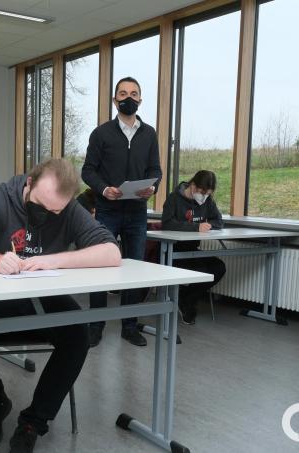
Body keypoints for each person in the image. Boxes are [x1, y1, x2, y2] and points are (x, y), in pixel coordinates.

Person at [0, 159, 120, 453]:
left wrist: (54, 260)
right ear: (28, 183)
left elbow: (111, 252)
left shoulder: (68, 208)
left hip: (44, 298)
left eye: (56, 211)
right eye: (41, 204)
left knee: (78, 335)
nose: (47, 214)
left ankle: (34, 422)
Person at [81, 76, 162, 347]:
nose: (129, 97)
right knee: (100, 268)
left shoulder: (149, 134)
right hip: (107, 210)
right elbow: (88, 170)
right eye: (123, 93)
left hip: (137, 212)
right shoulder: (101, 133)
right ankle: (95, 325)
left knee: (134, 269)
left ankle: (130, 325)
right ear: (115, 100)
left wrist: (153, 188)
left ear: (140, 99)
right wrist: (104, 190)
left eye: (134, 93)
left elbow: (155, 171)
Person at [161, 170, 226, 324]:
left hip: (192, 251)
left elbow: (218, 221)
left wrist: (209, 225)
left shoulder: (207, 201)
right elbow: (167, 223)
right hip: (174, 251)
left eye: (208, 194)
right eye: (202, 193)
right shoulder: (173, 199)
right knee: (202, 270)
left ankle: (186, 297)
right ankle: (187, 300)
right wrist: (196, 227)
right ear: (193, 185)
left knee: (219, 267)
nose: (203, 197)